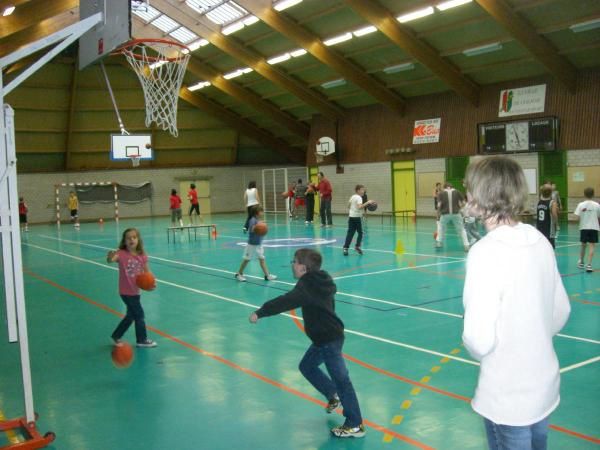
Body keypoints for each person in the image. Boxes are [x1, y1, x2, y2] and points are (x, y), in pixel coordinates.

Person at [462, 156, 570, 450]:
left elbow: (478, 340)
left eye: (470, 188)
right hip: (544, 387)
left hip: (508, 398)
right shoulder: (538, 239)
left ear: (481, 195)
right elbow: (560, 311)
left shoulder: (484, 252)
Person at [249, 248, 365, 439]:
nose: (292, 265)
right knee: (307, 366)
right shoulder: (320, 280)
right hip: (325, 338)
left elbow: (284, 302)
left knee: (342, 381)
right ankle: (332, 393)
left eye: (294, 262)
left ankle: (355, 424)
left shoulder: (306, 288)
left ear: (303, 268)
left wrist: (260, 312)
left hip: (328, 340)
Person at [107, 228, 157, 348]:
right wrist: (110, 257)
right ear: (124, 241)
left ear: (138, 240)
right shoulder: (121, 254)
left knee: (131, 316)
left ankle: (116, 335)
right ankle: (142, 339)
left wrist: (151, 284)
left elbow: (147, 272)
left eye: (134, 237)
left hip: (136, 292)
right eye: (128, 238)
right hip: (125, 292)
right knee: (139, 315)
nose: (131, 240)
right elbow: (111, 260)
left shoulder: (142, 256)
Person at [235, 205, 277, 282]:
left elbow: (258, 226)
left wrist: (261, 224)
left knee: (262, 259)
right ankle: (239, 274)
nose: (263, 213)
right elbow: (251, 229)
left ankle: (267, 275)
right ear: (257, 213)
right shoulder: (252, 220)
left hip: (259, 244)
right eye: (262, 211)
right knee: (246, 259)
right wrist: (259, 227)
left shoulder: (257, 220)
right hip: (252, 244)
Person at [436, 182, 470, 251]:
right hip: (456, 214)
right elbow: (464, 203)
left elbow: (439, 206)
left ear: (445, 187)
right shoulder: (457, 192)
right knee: (461, 229)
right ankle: (466, 245)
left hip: (445, 214)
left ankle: (439, 242)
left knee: (441, 227)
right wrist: (460, 209)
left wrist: (437, 215)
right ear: (451, 186)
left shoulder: (441, 193)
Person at [342, 185, 374, 256]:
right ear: (358, 190)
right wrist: (368, 202)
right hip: (357, 217)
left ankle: (345, 248)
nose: (363, 191)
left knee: (350, 233)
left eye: (364, 190)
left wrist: (353, 209)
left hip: (351, 217)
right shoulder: (359, 198)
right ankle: (357, 246)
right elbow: (360, 207)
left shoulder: (352, 196)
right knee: (360, 232)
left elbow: (348, 206)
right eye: (362, 190)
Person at [574, 187, 600, 273]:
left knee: (583, 245)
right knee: (592, 246)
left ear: (584, 194)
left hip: (584, 228)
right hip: (594, 227)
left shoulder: (581, 205)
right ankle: (589, 265)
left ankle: (581, 262)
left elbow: (577, 217)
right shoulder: (597, 205)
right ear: (593, 194)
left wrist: (580, 222)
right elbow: (599, 217)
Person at [536, 184, 558, 248]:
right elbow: (554, 214)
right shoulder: (552, 203)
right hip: (548, 229)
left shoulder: (539, 201)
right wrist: (557, 224)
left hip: (539, 227)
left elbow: (541, 189)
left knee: (541, 247)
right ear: (551, 193)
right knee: (550, 248)